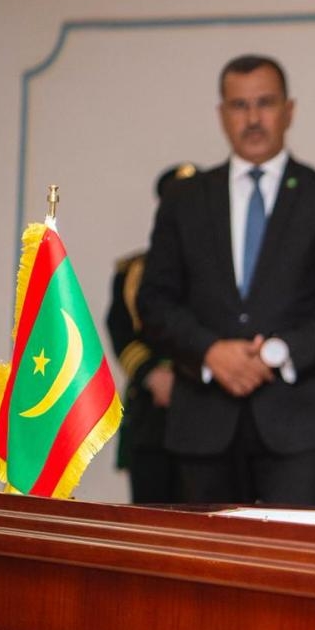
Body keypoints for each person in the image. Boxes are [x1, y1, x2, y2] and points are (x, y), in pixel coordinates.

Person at [137, 55, 315, 506]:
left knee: (292, 566)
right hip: (202, 421)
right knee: (206, 566)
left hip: (298, 422)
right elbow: (154, 301)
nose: (252, 118)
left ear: (289, 110)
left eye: (264, 103)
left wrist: (276, 351)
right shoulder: (184, 199)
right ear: (222, 114)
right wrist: (210, 352)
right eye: (239, 105)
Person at [106, 162, 197, 503]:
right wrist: (151, 375)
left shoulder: (223, 272)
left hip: (207, 412)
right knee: (150, 518)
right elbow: (120, 330)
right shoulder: (134, 271)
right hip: (151, 415)